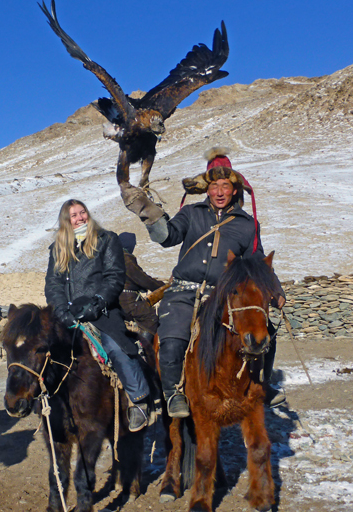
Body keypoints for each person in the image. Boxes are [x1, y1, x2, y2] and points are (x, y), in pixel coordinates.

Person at [142, 148, 286, 418]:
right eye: (214, 186)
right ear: (206, 189)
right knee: (172, 338)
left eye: (226, 186)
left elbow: (257, 262)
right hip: (183, 291)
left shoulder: (247, 224)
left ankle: (260, 384)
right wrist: (150, 214)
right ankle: (173, 393)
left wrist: (275, 290)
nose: (220, 192)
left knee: (266, 332)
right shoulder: (191, 213)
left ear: (234, 190)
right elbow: (167, 237)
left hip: (222, 297)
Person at [45, 199, 151, 432]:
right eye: (74, 215)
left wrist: (99, 301)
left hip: (101, 311)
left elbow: (114, 275)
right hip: (68, 315)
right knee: (43, 354)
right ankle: (45, 404)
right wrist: (61, 311)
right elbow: (53, 285)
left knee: (115, 347)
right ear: (66, 221)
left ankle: (139, 400)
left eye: (83, 212)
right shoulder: (58, 248)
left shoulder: (106, 239)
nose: (80, 218)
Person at [117, 232, 166, 343]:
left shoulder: (112, 257)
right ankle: (144, 349)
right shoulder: (125, 258)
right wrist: (162, 286)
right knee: (151, 318)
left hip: (116, 299)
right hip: (127, 302)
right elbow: (141, 278)